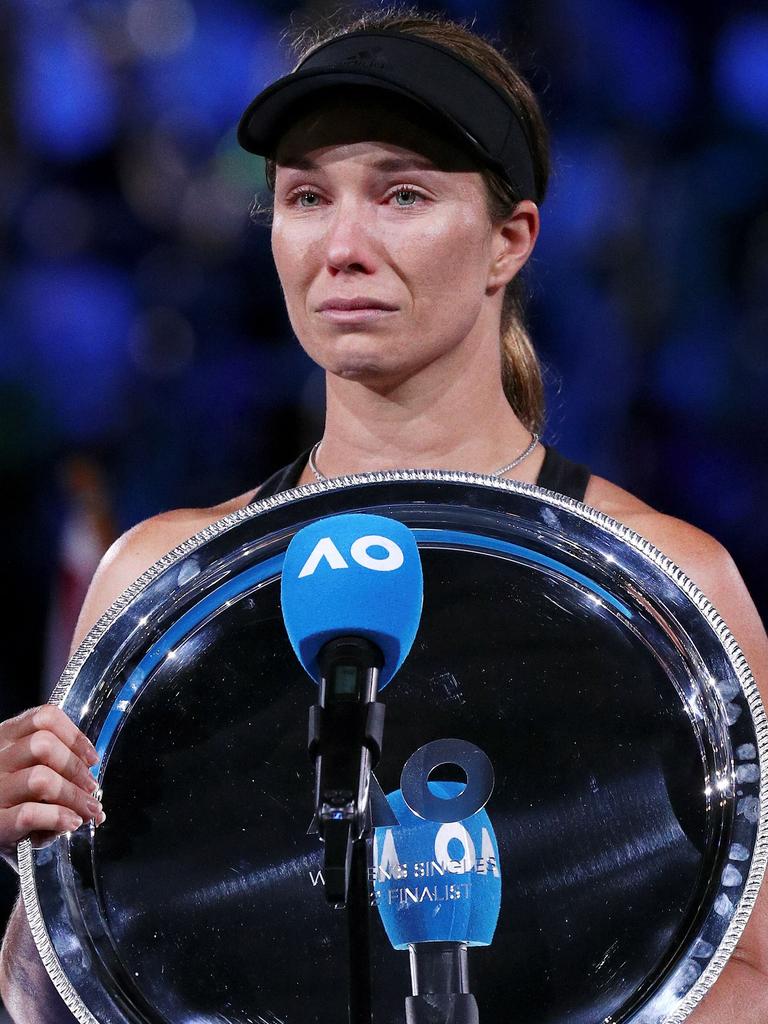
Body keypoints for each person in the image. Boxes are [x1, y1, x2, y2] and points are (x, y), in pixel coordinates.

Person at [1, 8, 766, 1022]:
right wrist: (31, 856)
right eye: (307, 196)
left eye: (401, 193)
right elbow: (53, 997)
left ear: (510, 240)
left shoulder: (669, 587)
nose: (343, 245)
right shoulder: (162, 584)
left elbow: (745, 974)